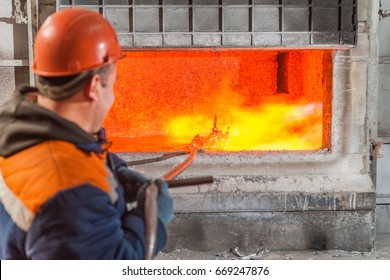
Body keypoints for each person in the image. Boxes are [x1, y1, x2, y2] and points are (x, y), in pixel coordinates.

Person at [0, 8, 173, 259]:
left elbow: (75, 145)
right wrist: (150, 219)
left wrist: (115, 172)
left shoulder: (19, 124)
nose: (112, 96)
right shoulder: (70, 191)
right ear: (93, 87)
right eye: (111, 86)